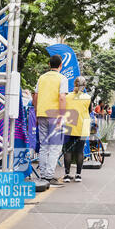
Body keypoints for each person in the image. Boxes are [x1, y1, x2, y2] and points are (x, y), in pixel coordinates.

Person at [32, 55, 67, 187]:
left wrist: (36, 114)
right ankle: (49, 176)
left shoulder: (42, 78)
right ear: (60, 65)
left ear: (49, 64)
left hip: (41, 114)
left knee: (44, 146)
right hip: (55, 115)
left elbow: (35, 96)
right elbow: (62, 97)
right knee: (55, 147)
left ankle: (42, 175)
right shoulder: (62, 78)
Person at [62, 76, 91, 183]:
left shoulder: (67, 96)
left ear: (74, 84)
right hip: (83, 126)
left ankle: (67, 175)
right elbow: (89, 110)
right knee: (79, 151)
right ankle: (78, 175)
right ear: (84, 86)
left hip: (69, 125)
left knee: (68, 151)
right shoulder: (88, 98)